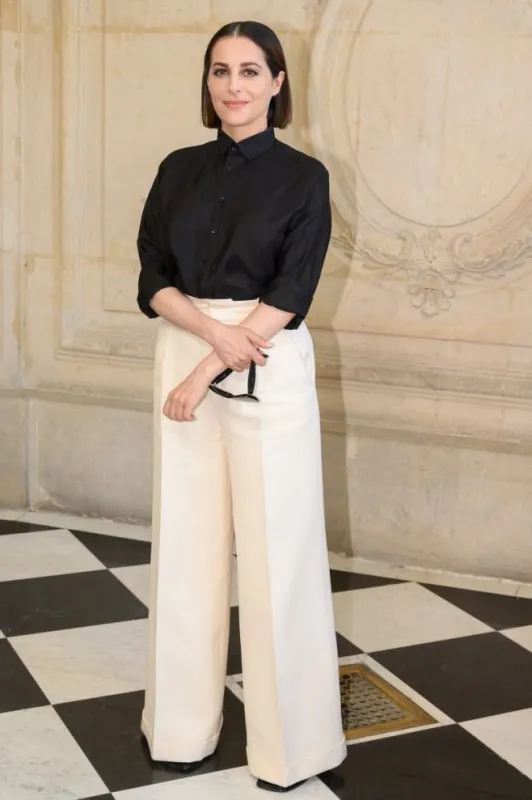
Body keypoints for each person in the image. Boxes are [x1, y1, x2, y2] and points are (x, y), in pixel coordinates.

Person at [136, 19, 347, 793]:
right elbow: (150, 273)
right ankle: (179, 730)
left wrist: (207, 370)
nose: (234, 86)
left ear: (277, 84)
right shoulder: (175, 168)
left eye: (251, 71)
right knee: (185, 549)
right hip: (190, 339)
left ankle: (293, 750)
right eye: (220, 71)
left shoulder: (305, 179)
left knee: (276, 558)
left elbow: (292, 290)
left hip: (270, 358)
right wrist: (203, 344)